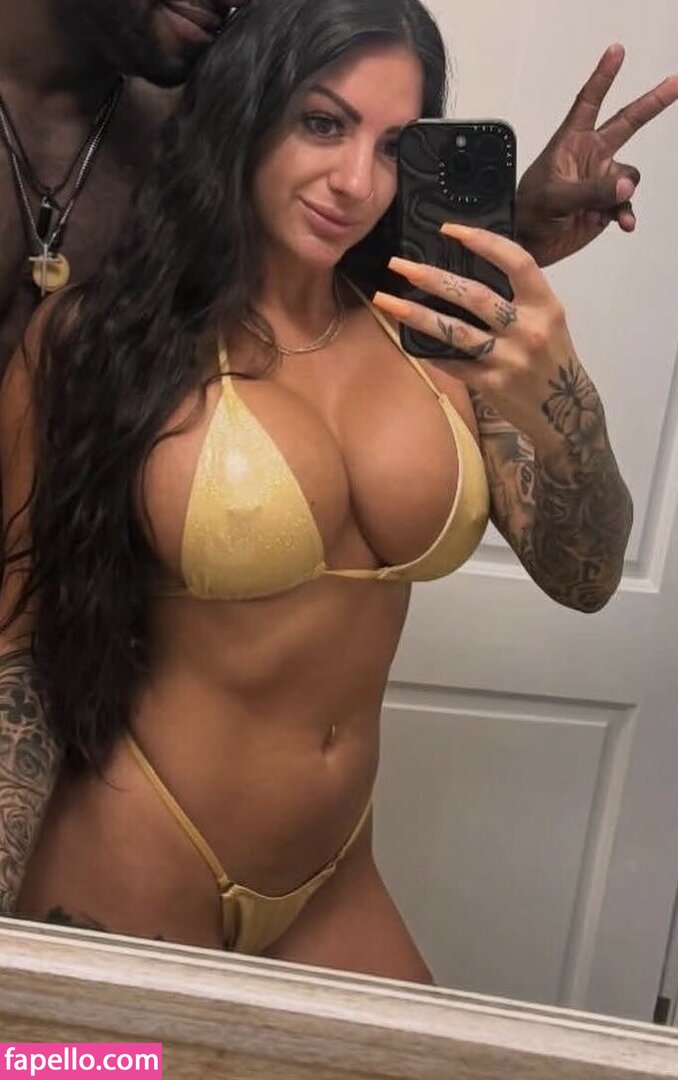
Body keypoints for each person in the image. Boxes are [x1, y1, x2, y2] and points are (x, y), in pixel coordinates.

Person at [0, 0, 674, 946]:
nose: (357, 181)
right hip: (133, 859)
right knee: (73, 1042)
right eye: (323, 123)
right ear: (246, 113)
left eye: (394, 145)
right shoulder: (100, 341)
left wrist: (566, 404)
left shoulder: (438, 333)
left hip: (333, 879)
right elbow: (16, 656)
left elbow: (587, 574)